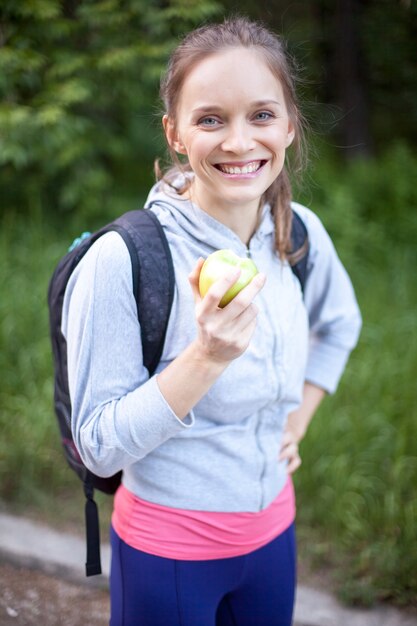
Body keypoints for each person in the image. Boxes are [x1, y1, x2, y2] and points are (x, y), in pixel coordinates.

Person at [62, 16, 362, 626]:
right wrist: (206, 358)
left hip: (274, 532)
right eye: (210, 119)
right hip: (170, 550)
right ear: (175, 133)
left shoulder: (298, 233)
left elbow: (341, 323)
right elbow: (97, 445)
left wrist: (296, 422)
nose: (238, 142)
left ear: (289, 124)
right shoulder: (124, 260)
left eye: (260, 115)